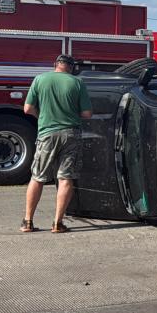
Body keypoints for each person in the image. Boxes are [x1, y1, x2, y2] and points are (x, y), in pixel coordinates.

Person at [21, 55, 93, 233]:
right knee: (65, 177)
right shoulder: (77, 83)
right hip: (70, 134)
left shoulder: (40, 79)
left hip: (46, 134)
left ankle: (28, 222)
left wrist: (43, 118)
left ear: (55, 65)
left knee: (37, 177)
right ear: (71, 67)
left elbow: (27, 108)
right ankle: (57, 223)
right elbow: (87, 114)